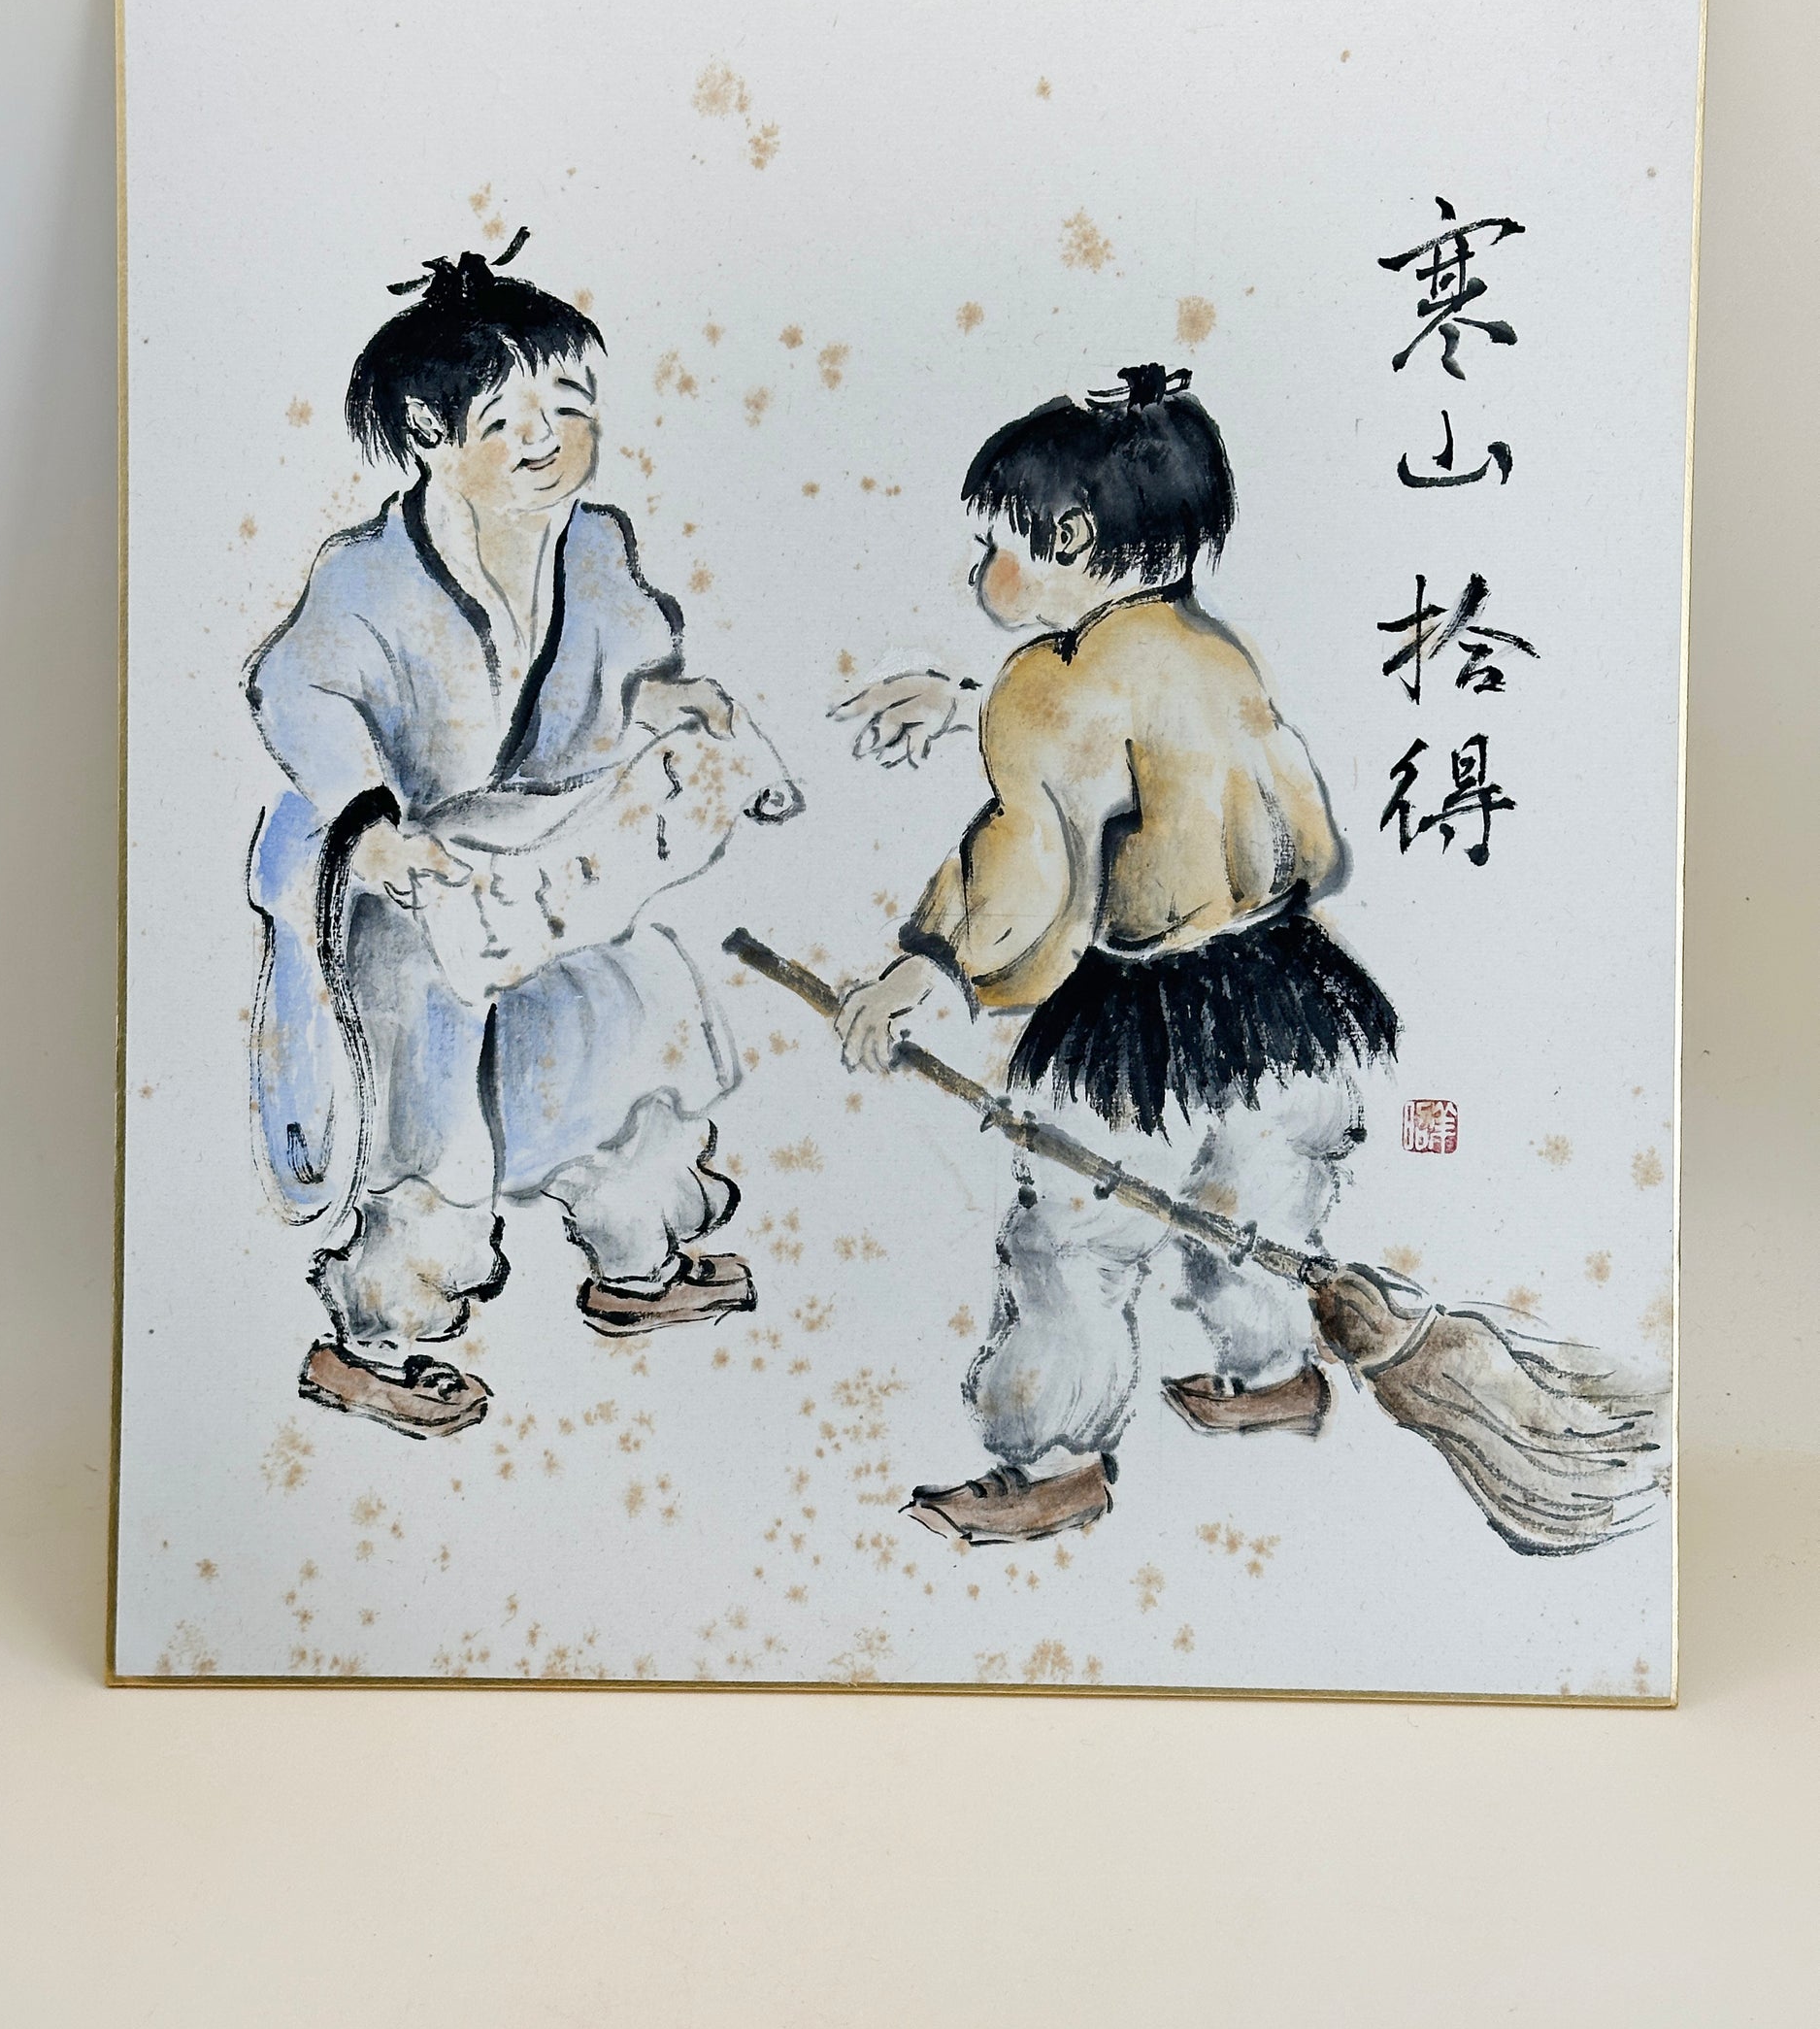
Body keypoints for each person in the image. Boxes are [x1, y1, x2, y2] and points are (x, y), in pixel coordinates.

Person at [832, 363, 1399, 1544]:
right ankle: (1274, 1376)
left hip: (1139, 1019)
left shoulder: (1048, 685)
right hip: (1283, 991)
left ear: (1071, 539)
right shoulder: (1210, 649)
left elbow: (1029, 863)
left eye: (994, 543)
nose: (980, 569)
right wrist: (967, 703)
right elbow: (1297, 827)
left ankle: (1050, 1463)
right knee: (1251, 1203)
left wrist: (926, 964)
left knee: (1072, 1240)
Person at [246, 237, 756, 1440]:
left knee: (624, 1032)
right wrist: (369, 824)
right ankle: (375, 1341)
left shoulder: (594, 543)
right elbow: (297, 695)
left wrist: (663, 699)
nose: (546, 441)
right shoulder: (366, 577)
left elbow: (623, 662)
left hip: (545, 857)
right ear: (430, 432)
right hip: (400, 882)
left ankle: (637, 1257)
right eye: (507, 420)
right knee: (427, 1117)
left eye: (568, 407)